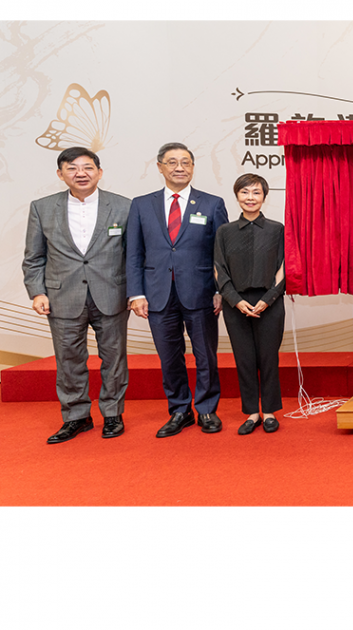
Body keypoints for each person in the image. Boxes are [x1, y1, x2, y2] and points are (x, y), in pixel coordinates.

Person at [23, 147, 132, 443]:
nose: (80, 173)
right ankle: (76, 417)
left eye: (87, 167)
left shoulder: (123, 207)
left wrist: (135, 293)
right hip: (61, 297)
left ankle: (112, 414)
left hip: (112, 294)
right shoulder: (42, 208)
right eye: (72, 168)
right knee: (69, 359)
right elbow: (34, 257)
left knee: (114, 357)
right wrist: (37, 292)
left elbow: (133, 256)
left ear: (99, 171)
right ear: (61, 174)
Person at [126, 143, 229, 437]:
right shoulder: (141, 205)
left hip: (201, 292)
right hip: (157, 294)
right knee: (169, 356)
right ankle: (180, 410)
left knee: (205, 355)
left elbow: (221, 253)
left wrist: (220, 290)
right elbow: (133, 253)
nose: (179, 167)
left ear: (193, 167)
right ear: (160, 167)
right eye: (172, 162)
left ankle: (207, 409)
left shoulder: (212, 203)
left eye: (185, 162)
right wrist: (136, 294)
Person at [214, 173, 287, 434]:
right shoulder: (225, 231)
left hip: (270, 303)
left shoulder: (277, 229)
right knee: (244, 359)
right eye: (245, 192)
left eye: (256, 192)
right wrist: (235, 301)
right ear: (237, 196)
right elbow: (218, 270)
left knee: (268, 359)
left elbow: (283, 268)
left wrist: (268, 300)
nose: (250, 198)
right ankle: (252, 413)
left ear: (265, 197)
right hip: (237, 305)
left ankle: (269, 412)